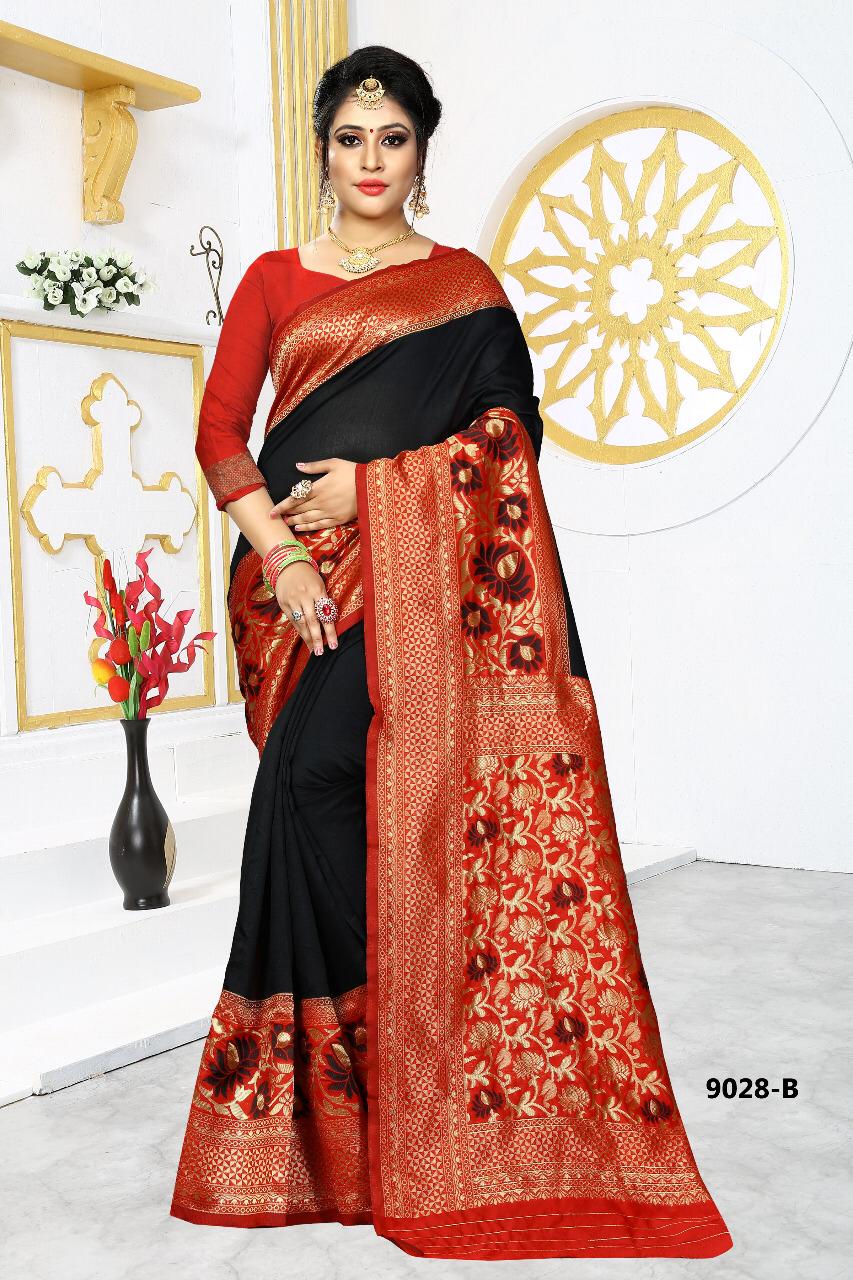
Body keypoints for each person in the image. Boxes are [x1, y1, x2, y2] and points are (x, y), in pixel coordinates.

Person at [170, 45, 733, 1260]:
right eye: (349, 139)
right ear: (322, 151)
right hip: (308, 594)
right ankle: (369, 1094)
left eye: (392, 139)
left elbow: (510, 436)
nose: (370, 161)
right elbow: (219, 430)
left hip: (427, 588)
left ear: (421, 150)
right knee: (306, 790)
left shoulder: (465, 286)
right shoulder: (274, 278)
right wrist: (288, 553)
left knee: (360, 792)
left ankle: (417, 1072)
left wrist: (375, 491)